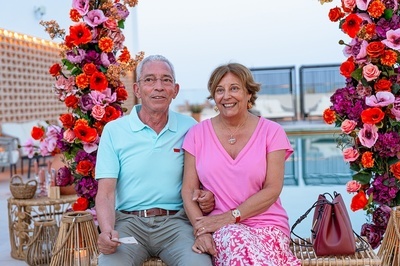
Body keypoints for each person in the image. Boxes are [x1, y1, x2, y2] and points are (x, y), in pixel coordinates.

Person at [95, 55, 214, 266]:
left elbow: (204, 179)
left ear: (175, 90)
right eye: (149, 80)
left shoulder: (191, 128)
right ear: (137, 89)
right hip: (129, 223)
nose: (158, 86)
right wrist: (106, 231)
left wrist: (206, 195)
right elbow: (105, 193)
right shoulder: (114, 131)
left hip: (177, 224)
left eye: (166, 80)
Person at [181, 63, 301, 265]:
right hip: (221, 230)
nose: (226, 96)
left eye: (234, 88)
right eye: (220, 90)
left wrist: (231, 216)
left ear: (248, 94)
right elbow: (188, 190)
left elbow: (273, 189)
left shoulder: (272, 132)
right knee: (238, 242)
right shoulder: (197, 134)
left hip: (268, 224)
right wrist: (200, 230)